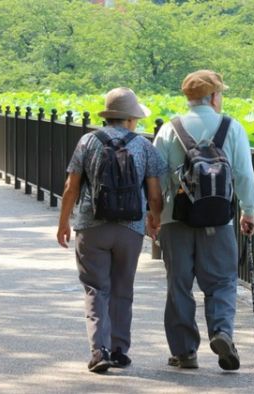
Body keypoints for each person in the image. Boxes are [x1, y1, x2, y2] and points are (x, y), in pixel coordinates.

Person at [152, 70, 254, 371]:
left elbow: (156, 178)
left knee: (179, 285)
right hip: (219, 219)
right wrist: (248, 211)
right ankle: (222, 332)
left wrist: (155, 215)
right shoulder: (231, 127)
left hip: (177, 219)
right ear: (213, 96)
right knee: (222, 281)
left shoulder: (169, 130)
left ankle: (185, 352)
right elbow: (244, 174)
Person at [57, 87, 166, 373]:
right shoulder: (144, 146)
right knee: (122, 288)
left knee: (96, 288)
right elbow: (155, 194)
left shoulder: (88, 141)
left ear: (109, 116)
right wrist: (154, 220)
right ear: (131, 119)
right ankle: (119, 350)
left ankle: (99, 350)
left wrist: (63, 222)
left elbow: (71, 187)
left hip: (91, 226)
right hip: (130, 228)